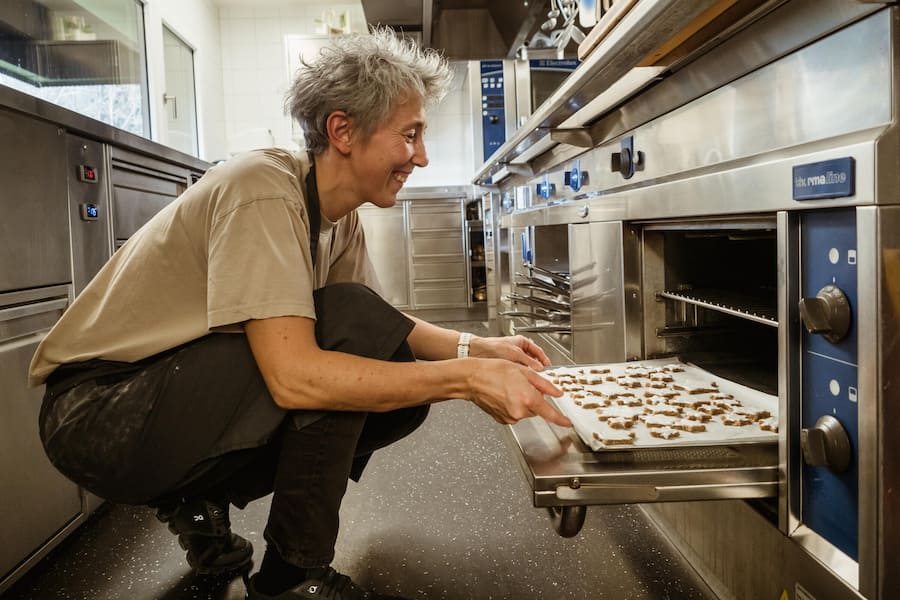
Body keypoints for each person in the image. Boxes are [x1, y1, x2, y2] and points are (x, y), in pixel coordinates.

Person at [29, 27, 570, 600]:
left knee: (394, 393)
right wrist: (464, 380)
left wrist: (473, 348)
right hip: (97, 412)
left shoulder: (338, 215)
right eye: (409, 134)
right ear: (342, 131)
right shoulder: (263, 187)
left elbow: (382, 329)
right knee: (353, 359)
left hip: (165, 397)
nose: (422, 155)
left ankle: (195, 498)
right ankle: (291, 574)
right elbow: (297, 375)